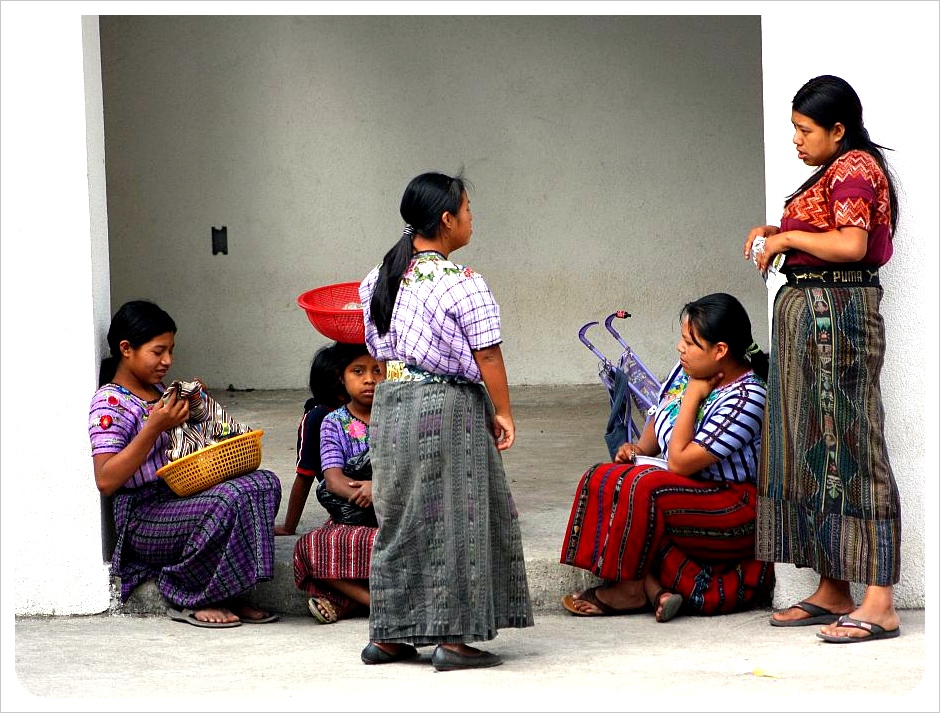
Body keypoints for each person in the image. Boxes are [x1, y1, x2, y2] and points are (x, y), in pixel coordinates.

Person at [743, 75, 901, 643]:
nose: (796, 139)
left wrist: (785, 242)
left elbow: (852, 246)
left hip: (839, 320)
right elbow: (826, 232)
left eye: (805, 130)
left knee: (855, 444)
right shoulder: (837, 170)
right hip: (812, 320)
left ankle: (879, 601)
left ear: (838, 130)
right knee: (814, 446)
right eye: (793, 128)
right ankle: (833, 587)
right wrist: (779, 230)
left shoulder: (856, 169)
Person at [358, 171, 533, 671]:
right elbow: (489, 355)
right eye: (468, 209)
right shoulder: (462, 283)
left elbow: (372, 344)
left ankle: (390, 636)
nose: (473, 218)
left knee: (401, 516)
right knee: (459, 516)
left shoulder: (379, 276)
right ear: (447, 218)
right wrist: (503, 410)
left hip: (391, 403)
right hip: (446, 405)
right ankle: (454, 641)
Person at [561, 293, 774, 621]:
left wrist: (694, 394)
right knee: (606, 475)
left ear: (720, 351)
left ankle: (631, 589)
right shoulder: (689, 367)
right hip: (691, 493)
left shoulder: (747, 396)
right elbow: (661, 412)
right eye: (682, 338)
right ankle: (649, 588)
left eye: (690, 342)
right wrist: (640, 451)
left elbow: (679, 462)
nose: (680, 348)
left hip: (735, 507)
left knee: (644, 488)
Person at [88, 300, 282, 628]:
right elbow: (106, 480)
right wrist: (152, 429)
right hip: (141, 518)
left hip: (177, 499)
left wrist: (196, 410)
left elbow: (184, 448)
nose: (168, 361)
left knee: (264, 484)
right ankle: (190, 592)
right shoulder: (109, 403)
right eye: (158, 351)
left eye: (171, 350)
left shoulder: (159, 391)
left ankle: (229, 590)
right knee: (228, 500)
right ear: (126, 349)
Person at [293, 343, 384, 624]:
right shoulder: (333, 422)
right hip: (354, 518)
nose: (369, 379)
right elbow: (333, 480)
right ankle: (381, 604)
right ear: (341, 377)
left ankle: (351, 604)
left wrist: (378, 489)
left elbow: (414, 471)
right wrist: (364, 492)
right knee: (309, 549)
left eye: (377, 370)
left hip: (396, 513)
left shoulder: (399, 416)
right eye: (358, 371)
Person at [274, 342, 350, 536]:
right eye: (357, 372)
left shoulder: (362, 409)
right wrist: (288, 527)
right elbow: (305, 473)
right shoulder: (317, 417)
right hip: (345, 497)